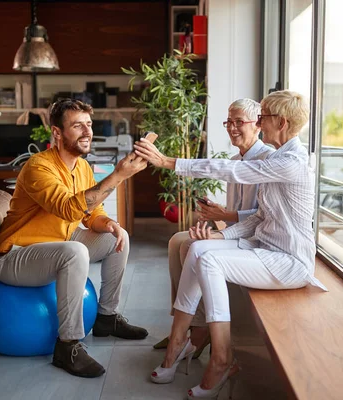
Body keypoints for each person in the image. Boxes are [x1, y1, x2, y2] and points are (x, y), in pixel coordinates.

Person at [134, 90, 327, 398]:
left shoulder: (291, 162)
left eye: (262, 117)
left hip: (289, 262)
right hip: (263, 248)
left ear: (282, 121)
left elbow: (233, 170)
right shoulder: (279, 158)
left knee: (208, 260)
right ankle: (178, 342)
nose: (259, 122)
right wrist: (219, 235)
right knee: (197, 248)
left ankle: (222, 356)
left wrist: (168, 161)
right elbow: (259, 218)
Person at [0, 98, 149, 379]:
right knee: (75, 251)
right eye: (77, 126)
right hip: (17, 254)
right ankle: (68, 346)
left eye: (88, 125)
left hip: (59, 243)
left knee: (117, 236)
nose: (87, 132)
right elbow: (67, 208)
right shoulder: (39, 167)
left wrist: (109, 223)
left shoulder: (83, 168)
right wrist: (118, 176)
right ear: (57, 133)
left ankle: (106, 318)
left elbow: (92, 214)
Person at [155, 98, 274, 356]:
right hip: (235, 232)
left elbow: (263, 216)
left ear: (258, 126)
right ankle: (184, 323)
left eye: (239, 122)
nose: (232, 127)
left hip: (256, 239)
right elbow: (235, 214)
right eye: (228, 122)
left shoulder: (268, 160)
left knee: (190, 244)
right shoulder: (235, 159)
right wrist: (216, 212)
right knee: (177, 239)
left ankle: (196, 330)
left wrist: (225, 216)